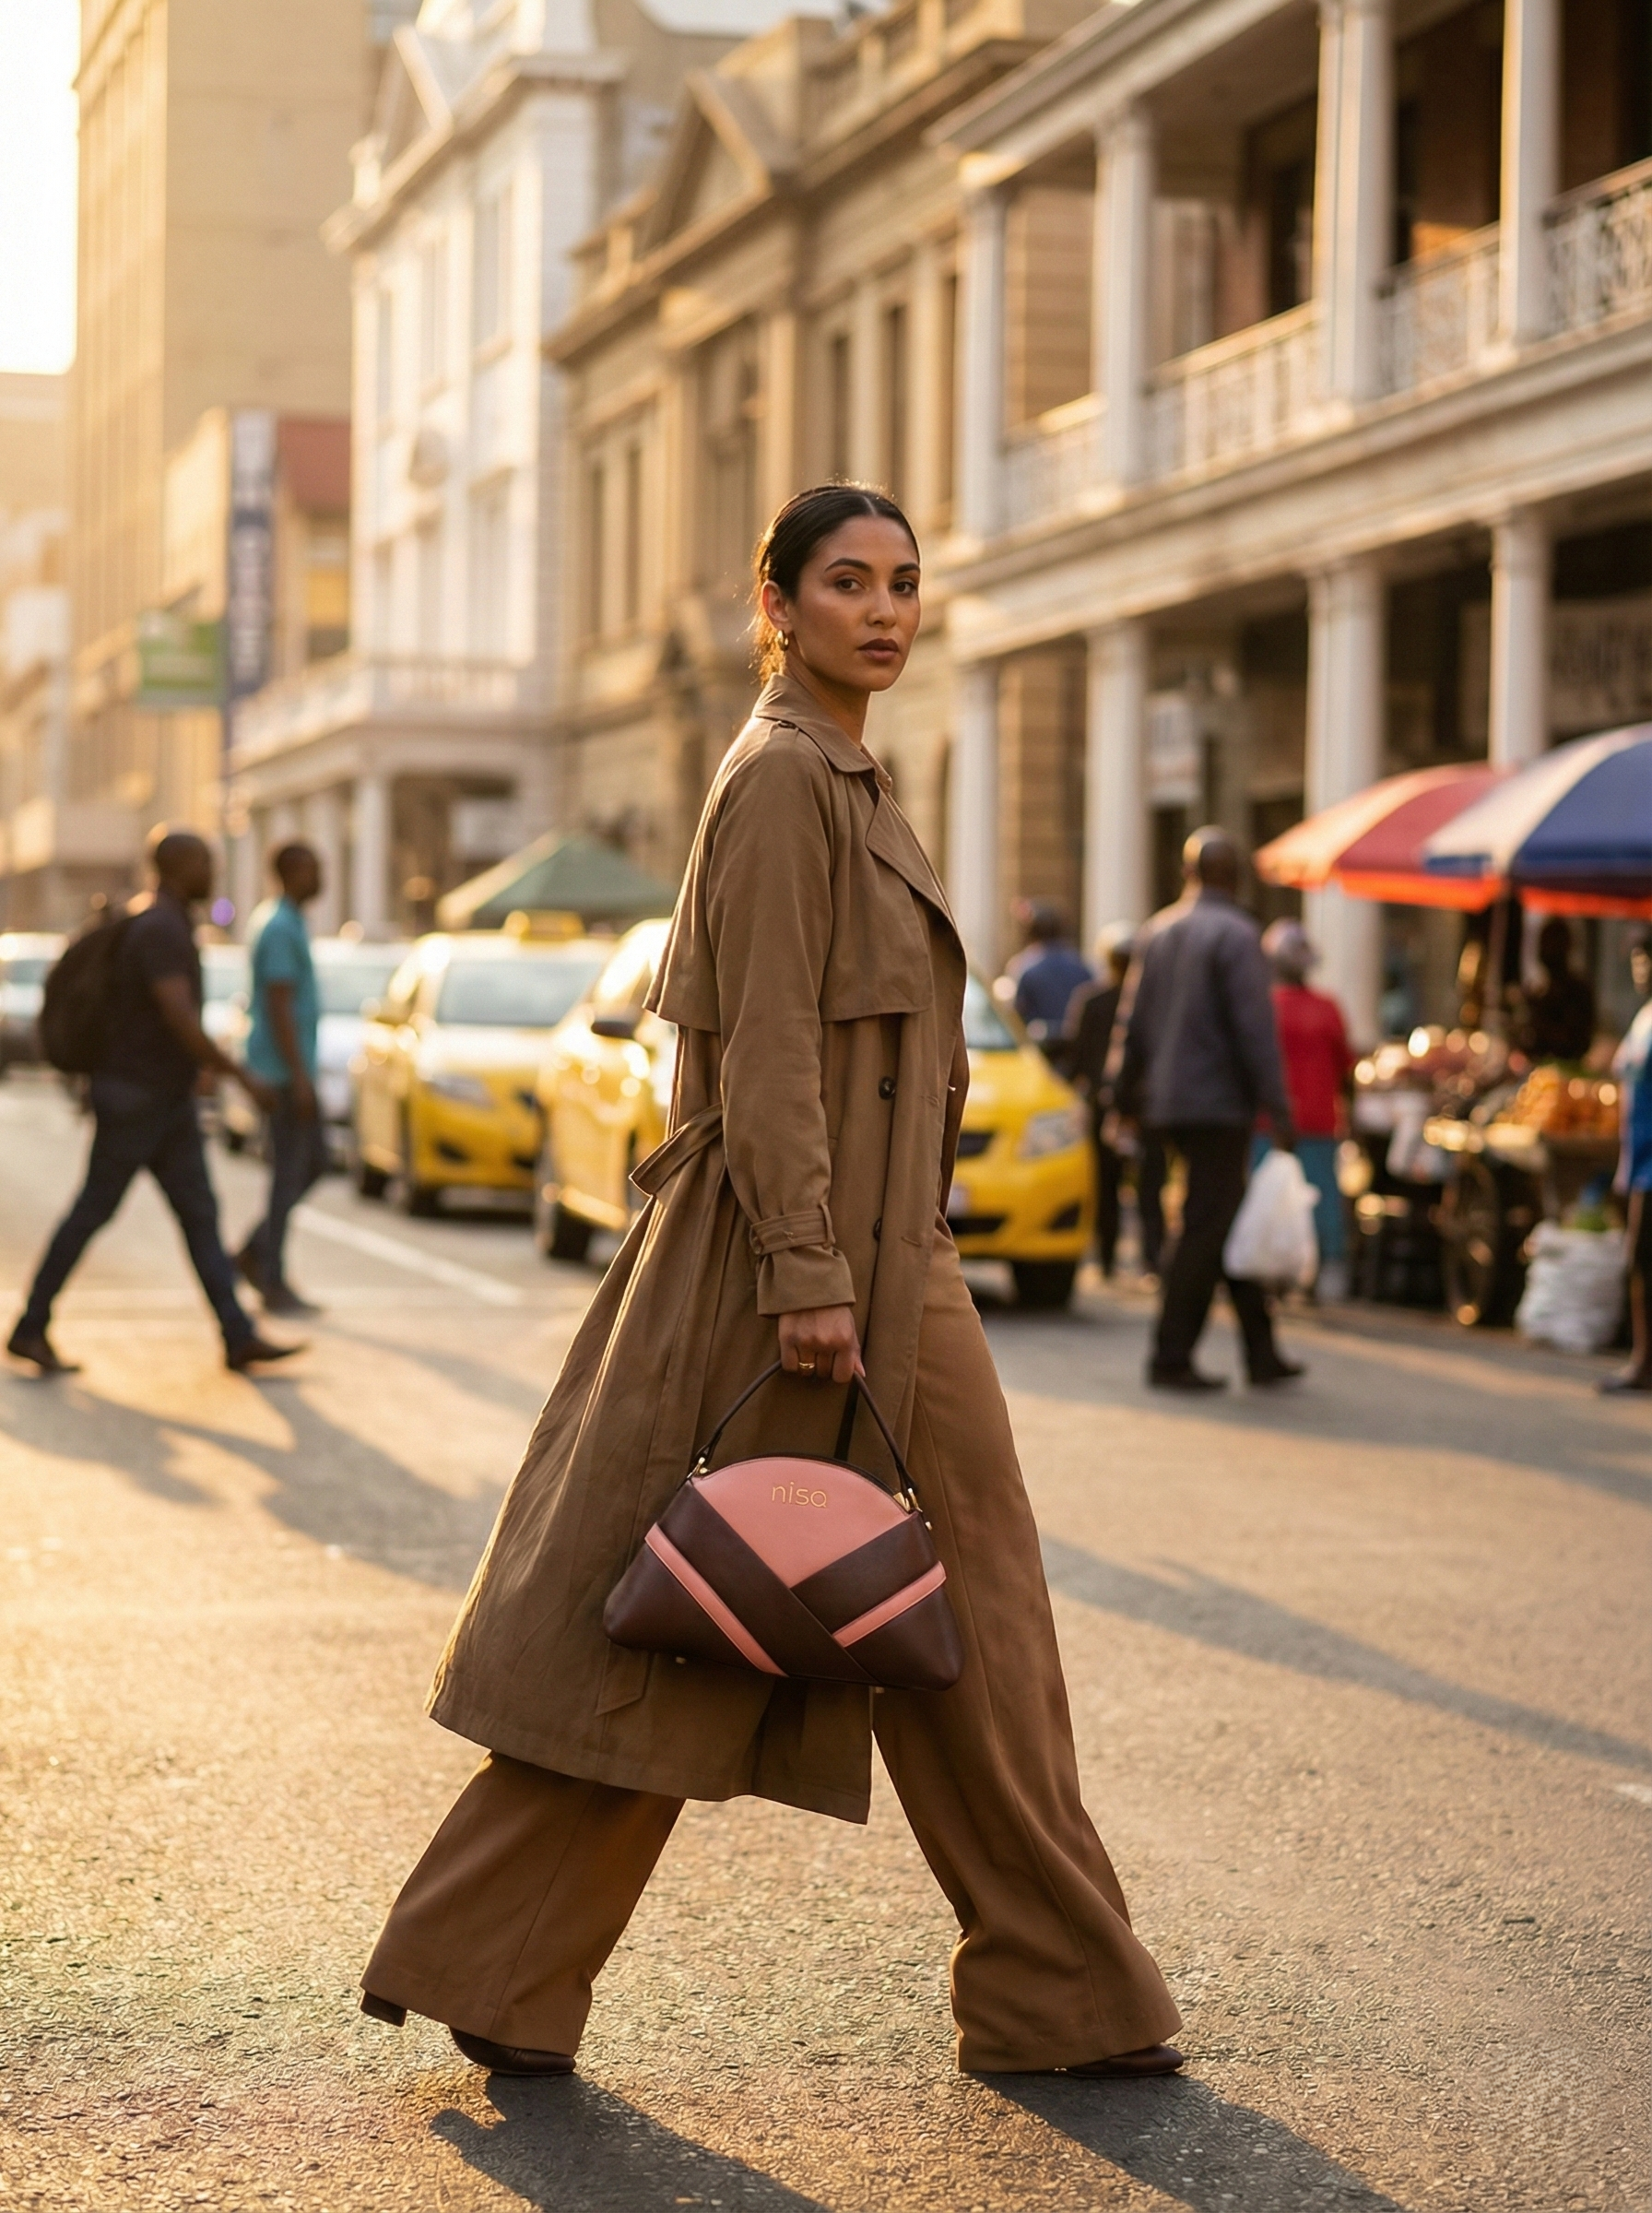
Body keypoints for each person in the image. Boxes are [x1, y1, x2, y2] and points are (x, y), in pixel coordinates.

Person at [358, 484, 1183, 2082]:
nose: (884, 610)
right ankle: (1040, 1985)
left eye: (903, 584)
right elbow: (772, 1054)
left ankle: (1050, 1984)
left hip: (890, 1259)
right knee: (688, 1617)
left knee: (935, 1620)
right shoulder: (783, 781)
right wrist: (807, 1269)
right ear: (778, 603)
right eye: (848, 583)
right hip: (799, 1268)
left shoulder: (851, 775)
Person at [6, 830, 301, 1376]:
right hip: (138, 1099)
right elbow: (178, 1016)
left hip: (161, 1099)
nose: (211, 872)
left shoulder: (162, 922)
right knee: (94, 1211)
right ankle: (29, 1327)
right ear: (175, 868)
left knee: (199, 1218)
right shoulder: (161, 928)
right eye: (203, 863)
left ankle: (237, 1336)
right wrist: (238, 1075)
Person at [1109, 828, 1301, 1392]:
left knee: (1223, 1217)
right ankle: (1170, 1356)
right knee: (1204, 1227)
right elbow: (1254, 1031)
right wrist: (1279, 1107)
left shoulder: (1159, 930)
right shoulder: (1238, 935)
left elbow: (1132, 1022)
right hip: (1217, 1107)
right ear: (1234, 876)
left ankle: (1261, 1351)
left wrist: (1120, 1096)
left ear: (1189, 874)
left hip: (1169, 1104)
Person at [236, 842, 326, 1317]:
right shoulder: (277, 926)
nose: (320, 878)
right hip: (281, 1071)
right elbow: (278, 1004)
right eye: (313, 869)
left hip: (289, 1069)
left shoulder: (288, 921)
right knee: (292, 1168)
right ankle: (270, 1275)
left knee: (308, 1164)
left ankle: (257, 1252)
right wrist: (299, 1076)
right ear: (291, 872)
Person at [1260, 918, 1353, 1301]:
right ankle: (1311, 1273)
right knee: (1317, 1200)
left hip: (1272, 1122)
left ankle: (1276, 1272)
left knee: (1272, 1200)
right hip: (1314, 1120)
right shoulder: (1326, 1007)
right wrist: (1352, 1115)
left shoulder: (1265, 1007)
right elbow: (1346, 1070)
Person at [1060, 924, 1134, 1277]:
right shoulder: (1142, 1000)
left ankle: (1106, 1257)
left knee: (1104, 1181)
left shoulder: (1092, 999)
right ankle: (1141, 1257)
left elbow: (1076, 1057)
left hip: (1104, 1102)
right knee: (1140, 1182)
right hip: (1136, 1103)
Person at [1601, 929, 1652, 1394]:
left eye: (1647, 959)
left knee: (1643, 1259)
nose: (1642, 968)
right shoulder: (1643, 1018)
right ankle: (1643, 1360)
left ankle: (1643, 1362)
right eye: (1637, 959)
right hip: (1640, 1160)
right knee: (1640, 1261)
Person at [1005, 901, 1092, 1046]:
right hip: (1077, 1050)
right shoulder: (1082, 966)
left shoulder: (1024, 967)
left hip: (1039, 1052)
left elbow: (1016, 1016)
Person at [1516, 917, 1597, 1064]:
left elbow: (1575, 1041)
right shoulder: (1540, 991)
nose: (1544, 950)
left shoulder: (1577, 992)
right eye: (1543, 944)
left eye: (1551, 944)